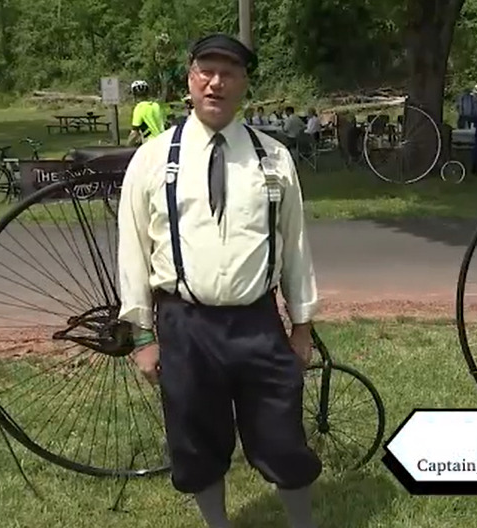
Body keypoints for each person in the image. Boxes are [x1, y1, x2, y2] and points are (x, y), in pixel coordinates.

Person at [116, 33, 321, 528]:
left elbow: (294, 245)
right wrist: (142, 333)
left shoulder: (273, 158)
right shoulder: (152, 158)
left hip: (257, 321)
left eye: (228, 73)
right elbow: (132, 250)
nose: (216, 82)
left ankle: (303, 524)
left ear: (243, 84)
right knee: (195, 438)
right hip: (185, 324)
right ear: (189, 79)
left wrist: (302, 325)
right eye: (206, 71)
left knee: (282, 434)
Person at [128, 80, 168, 145]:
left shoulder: (139, 108)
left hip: (150, 144)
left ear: (134, 95)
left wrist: (127, 145)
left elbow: (134, 133)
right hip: (163, 141)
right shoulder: (156, 105)